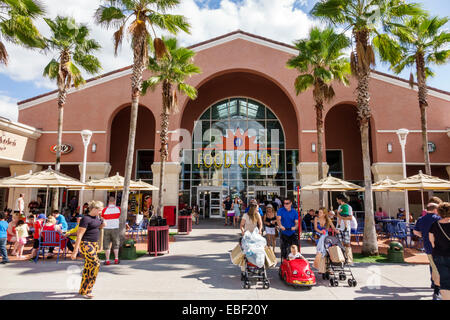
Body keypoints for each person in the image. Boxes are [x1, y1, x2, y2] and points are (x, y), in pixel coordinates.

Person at [71, 200, 106, 299]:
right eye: (99, 210)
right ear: (94, 209)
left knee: (88, 267)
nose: (101, 212)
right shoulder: (85, 219)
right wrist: (75, 251)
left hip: (94, 244)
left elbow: (100, 226)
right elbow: (79, 235)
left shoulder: (97, 218)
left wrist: (103, 222)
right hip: (86, 244)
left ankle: (84, 290)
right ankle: (87, 290)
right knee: (96, 263)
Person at [414, 202, 442, 300]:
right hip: (439, 246)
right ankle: (437, 288)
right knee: (439, 268)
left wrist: (424, 236)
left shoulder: (421, 219)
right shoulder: (438, 218)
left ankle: (434, 284)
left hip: (427, 246)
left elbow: (415, 231)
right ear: (435, 210)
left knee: (433, 266)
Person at [429, 202, 450, 301]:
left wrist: (437, 247)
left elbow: (431, 240)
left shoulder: (435, 224)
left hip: (439, 254)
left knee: (445, 282)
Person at [101, 196, 121, 265]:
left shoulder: (104, 210)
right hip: (115, 228)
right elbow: (119, 215)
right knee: (116, 244)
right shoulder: (118, 209)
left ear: (108, 202)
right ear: (114, 201)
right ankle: (116, 259)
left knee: (107, 244)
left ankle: (107, 260)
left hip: (106, 228)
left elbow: (102, 217)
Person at [336, 194, 354, 264]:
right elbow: (338, 215)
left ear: (340, 200)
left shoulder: (349, 207)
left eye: (337, 199)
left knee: (347, 243)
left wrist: (342, 217)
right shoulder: (339, 207)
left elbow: (350, 217)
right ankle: (341, 259)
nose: (337, 201)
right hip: (339, 228)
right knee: (339, 243)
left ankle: (349, 260)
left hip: (346, 228)